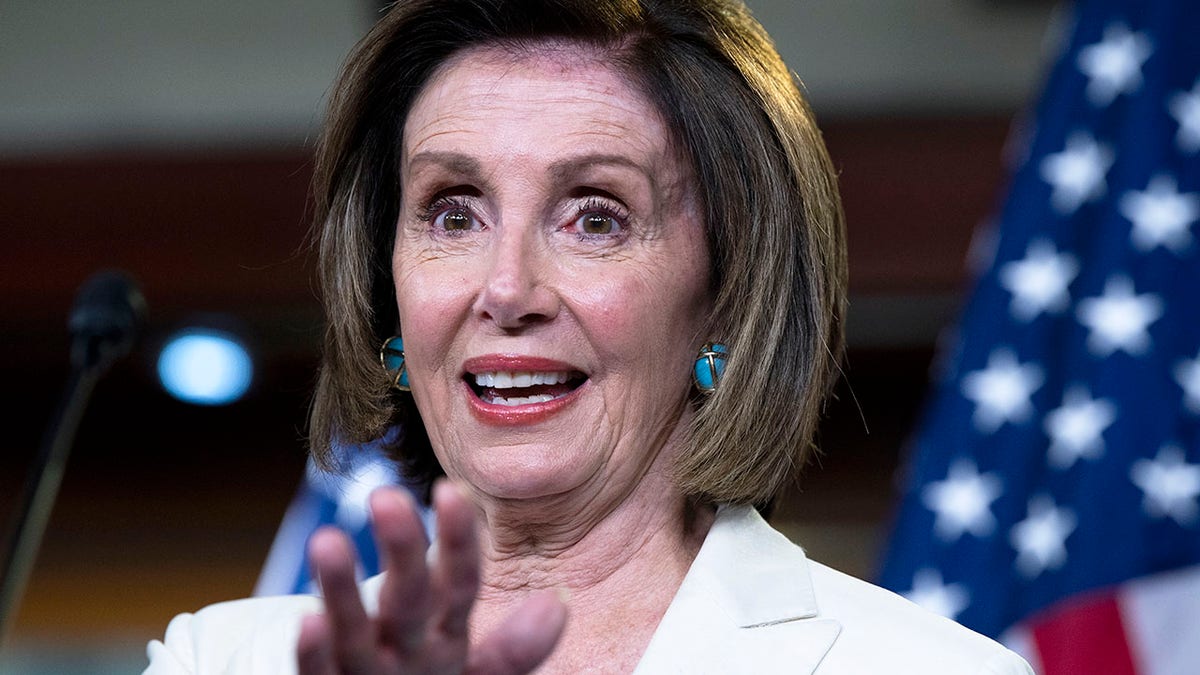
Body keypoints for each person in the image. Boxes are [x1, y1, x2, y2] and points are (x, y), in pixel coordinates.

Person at [146, 0, 1034, 672]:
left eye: (596, 217)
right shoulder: (220, 660)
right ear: (389, 300)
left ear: (729, 295)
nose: (506, 289)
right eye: (452, 214)